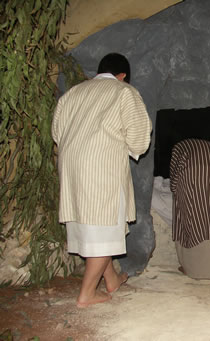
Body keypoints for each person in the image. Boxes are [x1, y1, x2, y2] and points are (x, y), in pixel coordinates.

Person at [51, 53, 152, 307]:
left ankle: (112, 280)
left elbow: (57, 132)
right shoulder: (123, 92)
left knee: (93, 231)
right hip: (101, 168)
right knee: (105, 227)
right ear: (123, 76)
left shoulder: (72, 94)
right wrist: (131, 146)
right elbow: (140, 137)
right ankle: (86, 294)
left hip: (72, 168)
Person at [170, 138, 210, 283]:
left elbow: (174, 179)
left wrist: (177, 191)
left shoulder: (179, 147)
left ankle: (191, 268)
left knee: (190, 219)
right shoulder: (209, 146)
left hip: (190, 175)